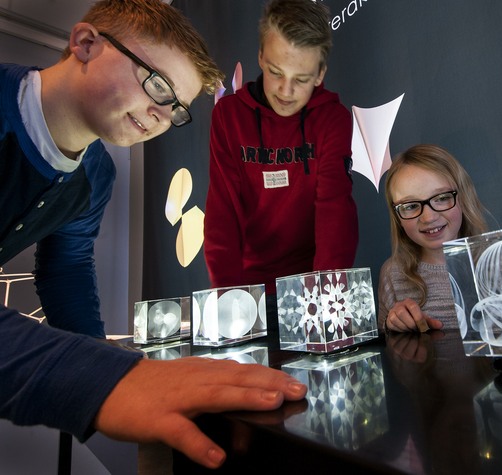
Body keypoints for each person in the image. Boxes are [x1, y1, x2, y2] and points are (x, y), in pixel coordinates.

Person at [0, 0, 307, 469]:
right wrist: (101, 377)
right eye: (158, 85)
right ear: (85, 44)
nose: (162, 115)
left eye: (176, 108)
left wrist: (94, 350)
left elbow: (67, 267)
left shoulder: (96, 174)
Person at [203, 0, 358, 308]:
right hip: (249, 286)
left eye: (301, 79)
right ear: (261, 56)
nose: (286, 92)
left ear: (320, 74)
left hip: (312, 282)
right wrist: (231, 301)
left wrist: (325, 302)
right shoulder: (228, 117)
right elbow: (223, 213)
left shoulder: (332, 118)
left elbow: (334, 211)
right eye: (276, 73)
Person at [378, 144, 488, 333]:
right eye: (410, 206)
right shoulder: (393, 273)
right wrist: (393, 325)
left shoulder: (501, 261)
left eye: (442, 198)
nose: (428, 217)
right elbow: (385, 342)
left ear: (463, 198)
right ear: (397, 218)